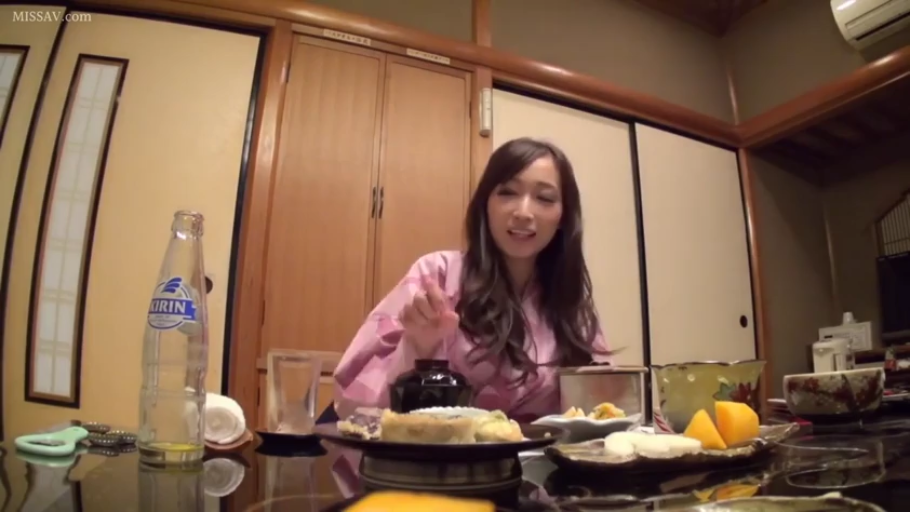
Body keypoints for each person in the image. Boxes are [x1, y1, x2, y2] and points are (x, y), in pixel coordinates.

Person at [333, 137, 612, 422]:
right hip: (439, 448)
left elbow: (601, 407)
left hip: (542, 451)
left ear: (563, 216)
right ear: (485, 204)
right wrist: (417, 348)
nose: (523, 213)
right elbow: (353, 404)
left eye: (545, 198)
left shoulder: (571, 303)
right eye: (507, 192)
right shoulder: (437, 275)